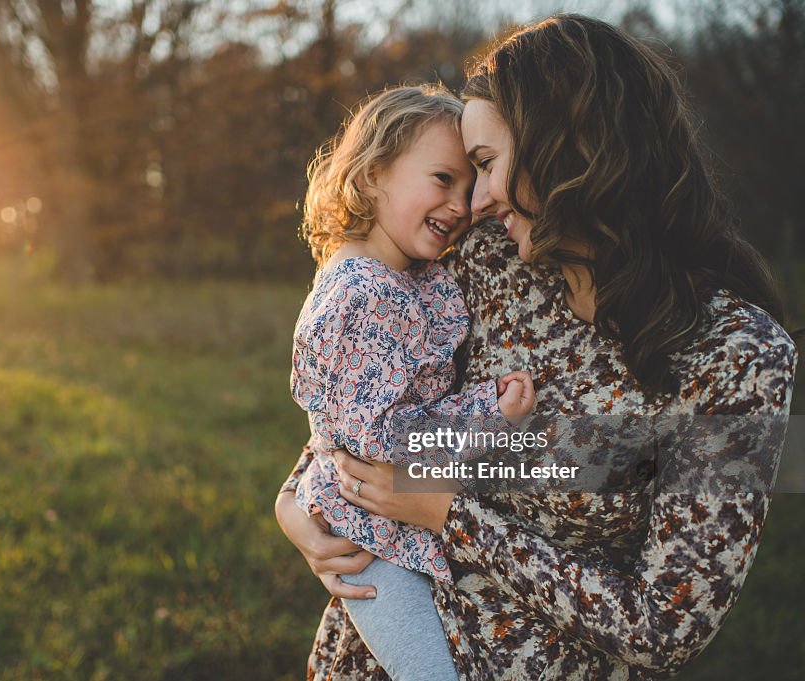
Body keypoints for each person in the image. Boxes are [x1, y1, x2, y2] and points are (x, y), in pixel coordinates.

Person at [275, 14, 798, 680]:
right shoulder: (486, 264)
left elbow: (664, 625)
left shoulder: (739, 356)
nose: (477, 201)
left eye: (487, 165)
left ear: (573, 149)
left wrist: (447, 514)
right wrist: (294, 501)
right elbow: (369, 399)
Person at [291, 84, 535, 681]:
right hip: (371, 541)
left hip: (387, 524)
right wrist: (488, 412)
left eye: (469, 180)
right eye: (443, 179)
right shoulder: (361, 294)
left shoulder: (406, 276)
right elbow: (379, 441)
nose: (463, 201)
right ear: (373, 175)